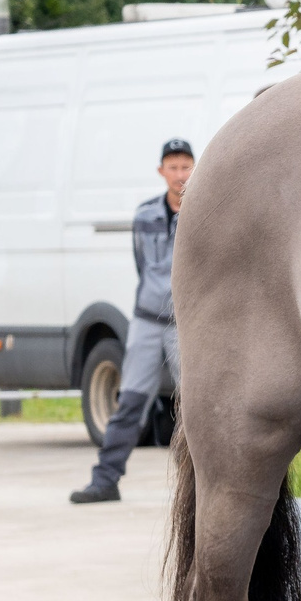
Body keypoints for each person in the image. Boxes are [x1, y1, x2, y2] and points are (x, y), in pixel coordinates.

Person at [71, 139, 193, 504]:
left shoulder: (202, 210)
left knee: (194, 406)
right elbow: (143, 266)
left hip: (183, 323)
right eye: (172, 167)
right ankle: (105, 480)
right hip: (146, 320)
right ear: (161, 172)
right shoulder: (144, 216)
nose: (179, 174)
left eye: (186, 166)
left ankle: (199, 488)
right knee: (130, 401)